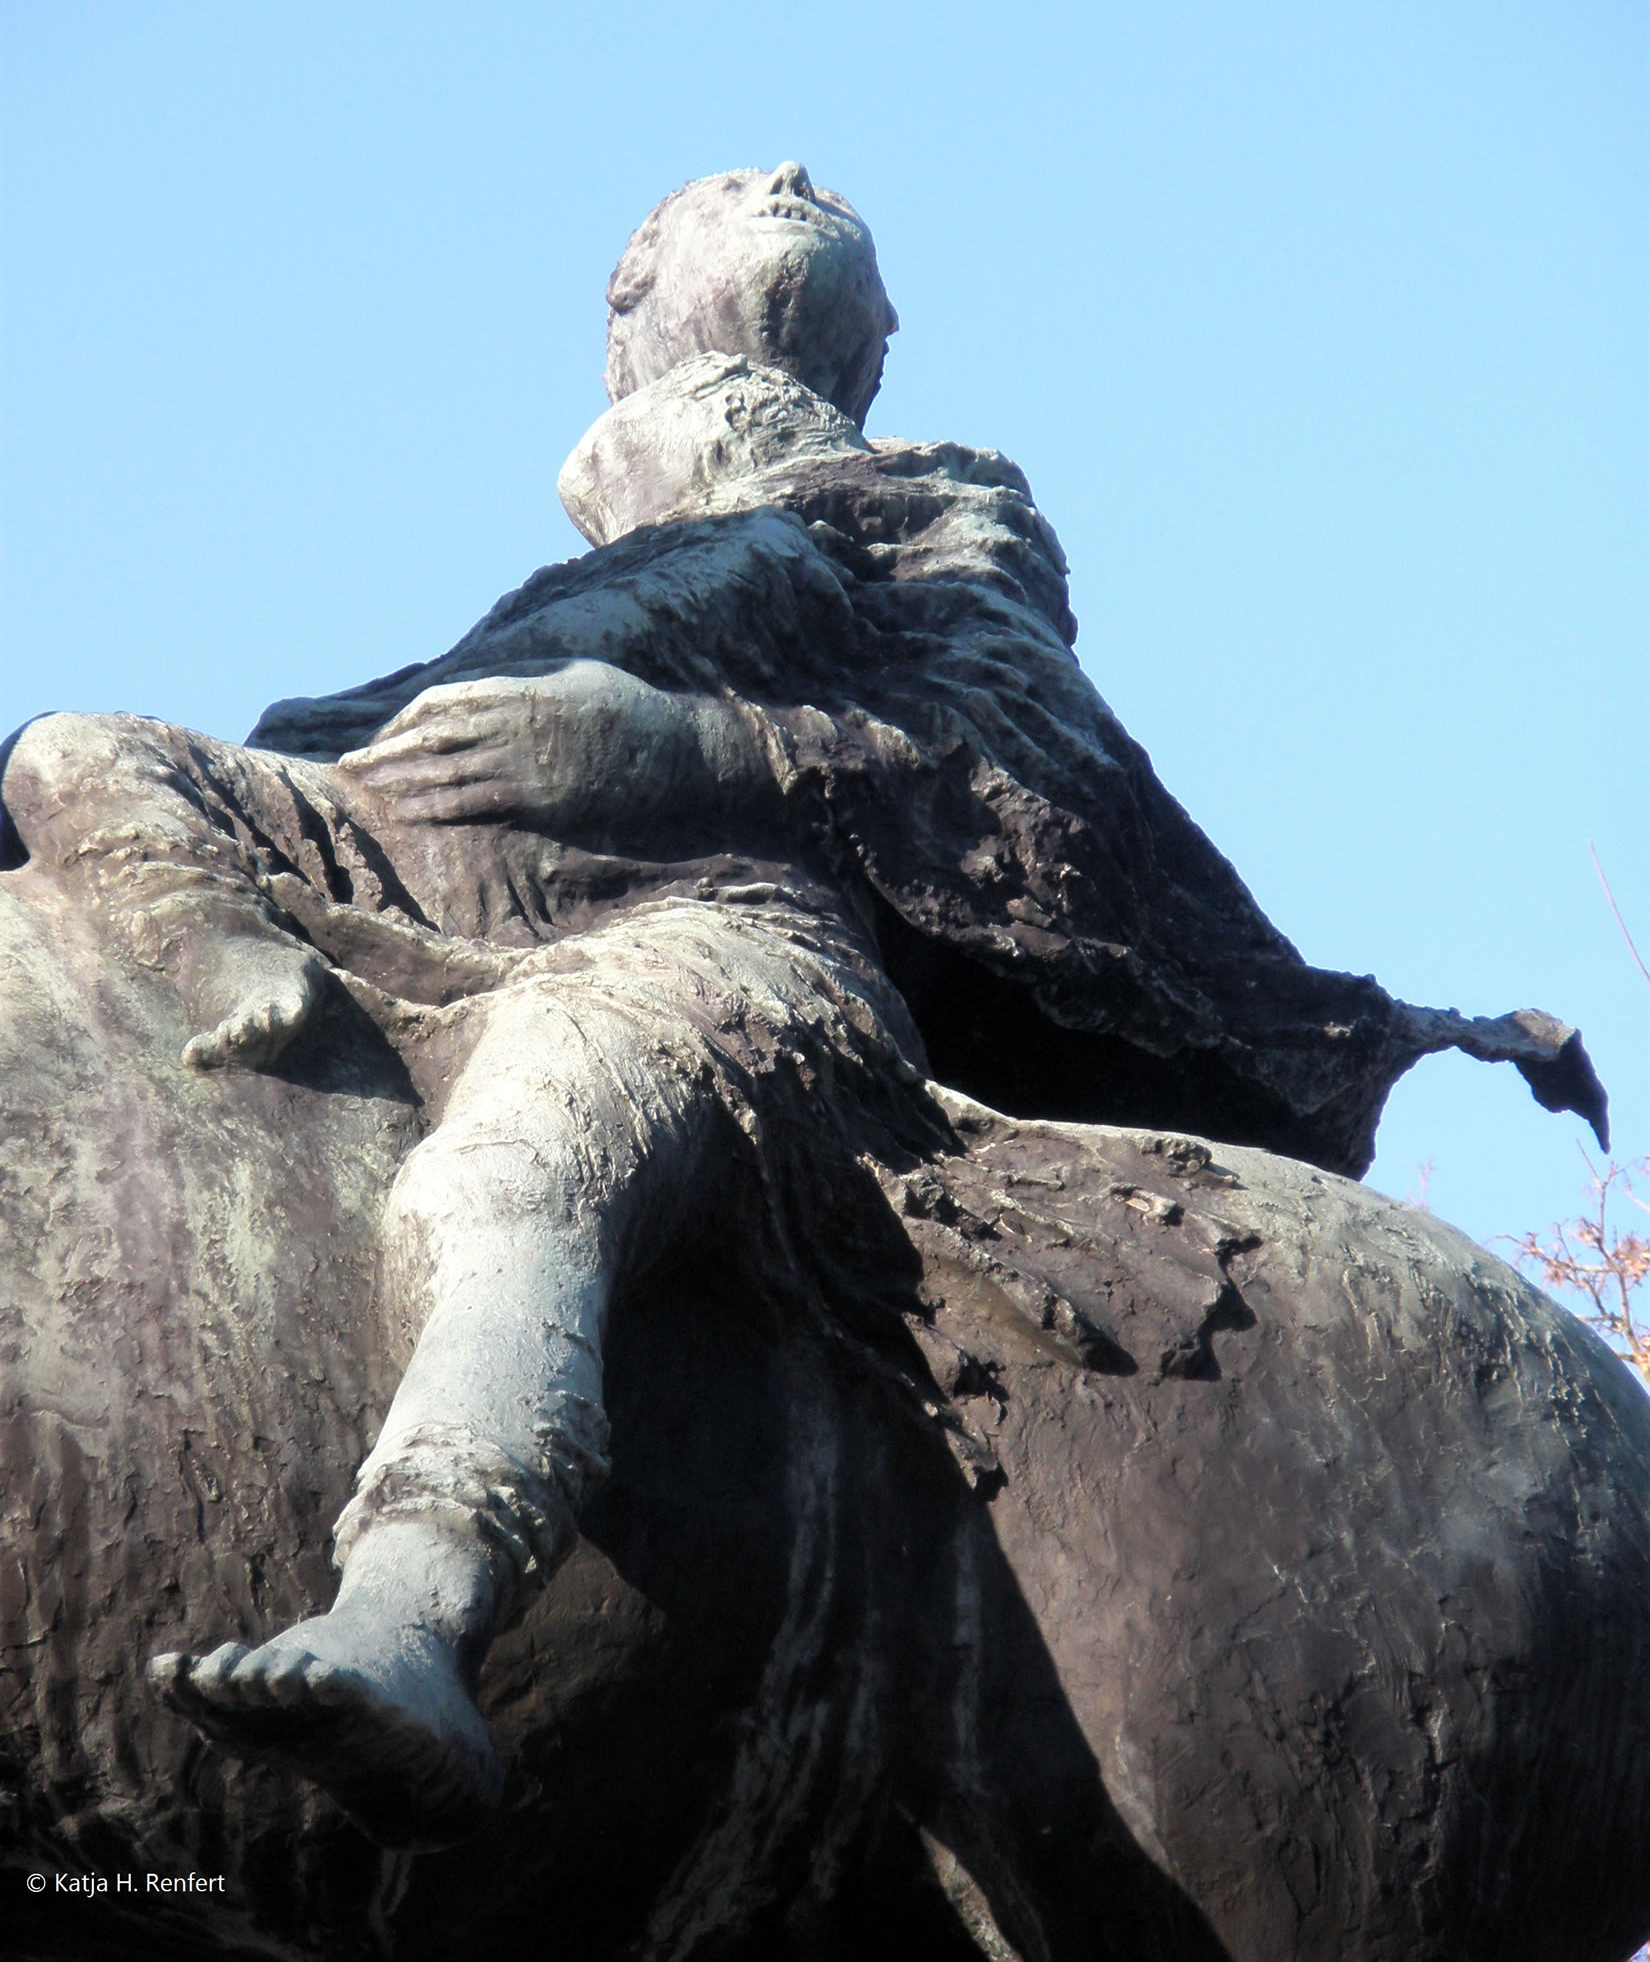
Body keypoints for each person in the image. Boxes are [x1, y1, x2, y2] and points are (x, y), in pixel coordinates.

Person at [0, 163, 1606, 1849]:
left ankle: (411, 1604)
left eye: (813, 192)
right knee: (68, 746)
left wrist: (688, 745)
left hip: (702, 925)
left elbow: (1024, 754)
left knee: (524, 1153)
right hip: (392, 873)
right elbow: (343, 740)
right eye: (720, 189)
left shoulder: (930, 500)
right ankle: (233, 959)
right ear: (623, 303)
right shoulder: (572, 586)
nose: (785, 178)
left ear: (872, 349)